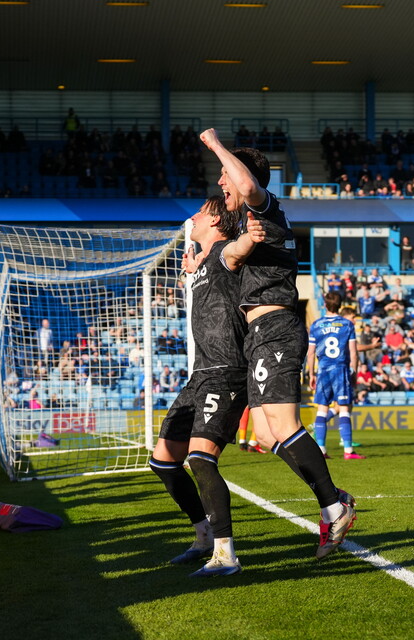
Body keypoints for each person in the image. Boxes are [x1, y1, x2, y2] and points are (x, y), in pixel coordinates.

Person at [200, 127, 355, 561]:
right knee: (268, 433)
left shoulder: (267, 210)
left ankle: (332, 505)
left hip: (276, 330)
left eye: (224, 176)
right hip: (260, 337)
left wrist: (214, 144)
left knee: (284, 425)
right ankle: (334, 499)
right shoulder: (252, 226)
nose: (221, 183)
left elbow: (247, 184)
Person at [151, 196, 248, 577]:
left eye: (201, 212)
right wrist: (192, 272)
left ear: (217, 222)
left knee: (201, 458)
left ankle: (226, 555)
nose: (191, 216)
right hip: (200, 373)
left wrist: (250, 232)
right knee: (163, 460)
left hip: (225, 370)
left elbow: (241, 248)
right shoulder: (203, 261)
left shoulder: (226, 249)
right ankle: (204, 535)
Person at [306, 291, 364, 460]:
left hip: (323, 370)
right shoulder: (347, 325)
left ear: (325, 305)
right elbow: (353, 353)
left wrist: (311, 374)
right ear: (340, 305)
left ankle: (321, 451)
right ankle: (348, 451)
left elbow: (310, 353)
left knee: (322, 410)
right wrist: (354, 372)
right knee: (344, 409)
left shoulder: (316, 325)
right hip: (341, 370)